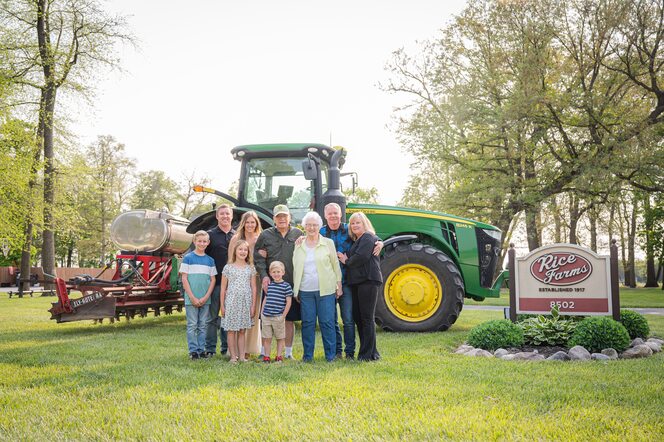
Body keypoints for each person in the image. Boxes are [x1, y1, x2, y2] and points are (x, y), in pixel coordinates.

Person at [318, 203, 382, 360]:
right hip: (331, 281)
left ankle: (351, 352)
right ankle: (338, 351)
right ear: (325, 216)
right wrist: (300, 238)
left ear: (341, 215)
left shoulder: (350, 229)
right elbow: (309, 238)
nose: (333, 216)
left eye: (336, 213)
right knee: (334, 319)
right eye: (330, 213)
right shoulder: (321, 232)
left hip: (349, 281)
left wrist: (381, 242)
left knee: (349, 319)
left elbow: (370, 239)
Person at [254, 204, 303, 359]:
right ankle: (264, 352)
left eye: (284, 216)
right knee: (266, 319)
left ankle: (287, 353)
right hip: (271, 285)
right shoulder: (265, 235)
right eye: (278, 217)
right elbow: (258, 258)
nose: (282, 219)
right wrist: (264, 276)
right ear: (274, 219)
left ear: (289, 218)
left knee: (289, 319)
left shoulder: (298, 234)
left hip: (290, 284)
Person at [292, 211, 342, 362]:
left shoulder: (328, 243)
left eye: (314, 225)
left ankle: (331, 356)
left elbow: (335, 264)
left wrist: (338, 284)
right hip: (306, 290)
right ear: (304, 226)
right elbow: (295, 267)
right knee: (308, 323)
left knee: (327, 323)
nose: (312, 228)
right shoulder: (299, 244)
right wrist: (296, 289)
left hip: (326, 289)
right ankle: (308, 356)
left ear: (319, 226)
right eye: (309, 225)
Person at [339, 212, 383, 362]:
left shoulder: (368, 237)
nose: (355, 225)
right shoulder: (358, 239)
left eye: (358, 222)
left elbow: (362, 257)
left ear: (365, 223)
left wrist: (346, 261)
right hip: (358, 282)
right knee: (359, 317)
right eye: (352, 223)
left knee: (366, 318)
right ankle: (372, 353)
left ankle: (365, 355)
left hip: (368, 280)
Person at [228, 211, 263, 359]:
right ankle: (235, 350)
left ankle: (247, 349)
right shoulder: (236, 238)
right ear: (243, 223)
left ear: (256, 224)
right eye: (247, 222)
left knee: (251, 313)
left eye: (252, 222)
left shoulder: (260, 238)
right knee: (237, 313)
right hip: (238, 280)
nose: (250, 225)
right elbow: (230, 259)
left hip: (255, 279)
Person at [180, 230, 217, 360]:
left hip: (205, 299)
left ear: (208, 243)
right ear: (194, 241)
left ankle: (202, 350)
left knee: (203, 325)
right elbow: (184, 278)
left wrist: (206, 296)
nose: (202, 243)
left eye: (204, 241)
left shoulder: (210, 260)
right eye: (199, 241)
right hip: (191, 299)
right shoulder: (188, 258)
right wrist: (192, 297)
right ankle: (193, 351)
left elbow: (213, 280)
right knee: (192, 325)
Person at [204, 204, 235, 358]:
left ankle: (225, 348)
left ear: (232, 216)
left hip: (232, 285)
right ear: (217, 216)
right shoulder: (210, 236)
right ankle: (210, 349)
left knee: (227, 317)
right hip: (215, 284)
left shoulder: (236, 236)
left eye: (227, 214)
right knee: (212, 317)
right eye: (222, 214)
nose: (225, 216)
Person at [220, 239, 257, 363]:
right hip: (231, 301)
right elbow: (223, 288)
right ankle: (233, 357)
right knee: (231, 330)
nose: (242, 252)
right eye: (240, 249)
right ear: (235, 251)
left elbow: (254, 287)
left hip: (245, 302)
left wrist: (252, 306)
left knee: (242, 330)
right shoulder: (228, 268)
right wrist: (222, 306)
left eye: (245, 250)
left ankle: (242, 356)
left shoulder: (250, 268)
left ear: (248, 252)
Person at [261, 261, 293, 363]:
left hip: (278, 316)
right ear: (270, 273)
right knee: (267, 338)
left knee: (280, 337)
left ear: (283, 272)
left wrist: (283, 316)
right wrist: (262, 313)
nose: (276, 274)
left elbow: (288, 302)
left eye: (278, 271)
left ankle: (279, 356)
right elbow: (266, 299)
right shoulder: (269, 285)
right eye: (274, 272)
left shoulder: (286, 286)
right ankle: (266, 356)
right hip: (266, 316)